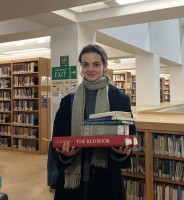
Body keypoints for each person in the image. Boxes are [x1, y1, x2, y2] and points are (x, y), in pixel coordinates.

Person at [50, 44, 136, 200]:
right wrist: (65, 154)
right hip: (72, 181)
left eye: (96, 64)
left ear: (104, 66)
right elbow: (57, 138)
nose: (90, 69)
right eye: (85, 64)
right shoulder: (68, 102)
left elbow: (129, 134)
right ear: (81, 67)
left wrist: (122, 151)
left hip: (106, 179)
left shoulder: (120, 99)